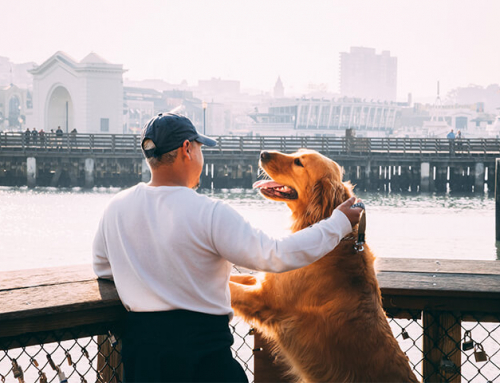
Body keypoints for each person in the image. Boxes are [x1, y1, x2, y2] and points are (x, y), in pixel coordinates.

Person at [92, 113, 363, 383]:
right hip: (203, 357)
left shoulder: (115, 208)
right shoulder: (209, 212)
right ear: (188, 149)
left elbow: (103, 269)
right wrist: (338, 223)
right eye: (200, 148)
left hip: (143, 360)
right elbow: (274, 254)